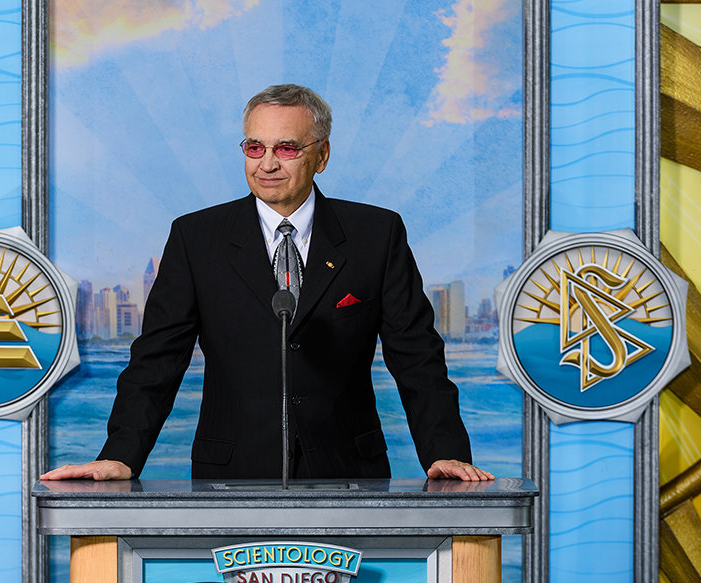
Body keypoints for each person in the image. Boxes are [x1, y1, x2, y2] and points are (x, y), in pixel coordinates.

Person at [42, 84, 493, 483]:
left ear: (322, 155)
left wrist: (445, 452)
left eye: (287, 148)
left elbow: (417, 356)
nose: (267, 164)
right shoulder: (196, 238)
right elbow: (156, 360)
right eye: (255, 148)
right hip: (231, 472)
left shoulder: (376, 235)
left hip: (348, 470)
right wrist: (120, 456)